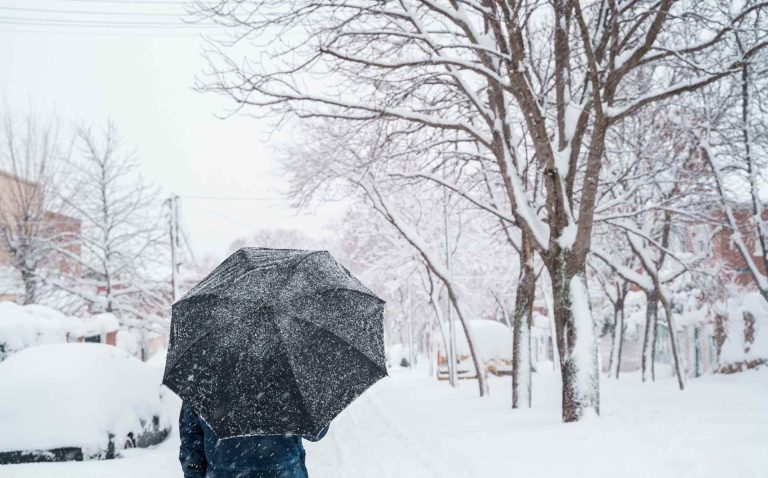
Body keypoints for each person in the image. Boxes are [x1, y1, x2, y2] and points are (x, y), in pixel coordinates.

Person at [179, 402, 329, 478]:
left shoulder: (203, 374)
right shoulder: (287, 371)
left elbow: (191, 444)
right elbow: (317, 433)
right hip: (284, 472)